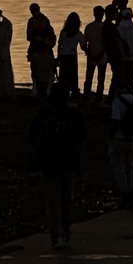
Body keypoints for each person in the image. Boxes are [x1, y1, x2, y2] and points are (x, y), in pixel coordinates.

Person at [30, 85, 86, 250]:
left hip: (49, 162)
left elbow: (32, 134)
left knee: (53, 201)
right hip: (68, 162)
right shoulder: (73, 116)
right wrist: (78, 162)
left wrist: (38, 152)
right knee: (66, 199)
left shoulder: (45, 114)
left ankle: (57, 235)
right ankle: (65, 231)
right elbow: (81, 140)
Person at [110, 82, 133, 207]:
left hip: (120, 138)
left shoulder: (117, 102)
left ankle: (124, 194)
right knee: (129, 167)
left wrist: (110, 136)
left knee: (119, 167)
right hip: (132, 138)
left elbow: (115, 120)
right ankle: (130, 190)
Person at [26, 3, 56, 100]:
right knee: (36, 72)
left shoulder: (45, 26)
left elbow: (52, 41)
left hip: (44, 51)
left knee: (46, 72)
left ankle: (45, 90)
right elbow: (29, 37)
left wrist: (44, 41)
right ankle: (38, 90)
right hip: (37, 51)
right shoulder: (33, 24)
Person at [56, 12, 85, 98]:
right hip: (72, 56)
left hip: (63, 55)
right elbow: (83, 46)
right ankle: (74, 92)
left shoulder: (63, 32)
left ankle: (63, 92)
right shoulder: (78, 34)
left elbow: (60, 44)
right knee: (73, 75)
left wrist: (58, 56)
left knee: (63, 75)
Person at [82, 6, 108, 101]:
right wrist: (101, 54)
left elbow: (84, 44)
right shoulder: (105, 27)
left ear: (94, 14)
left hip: (91, 56)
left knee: (89, 78)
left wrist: (89, 52)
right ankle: (99, 98)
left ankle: (85, 96)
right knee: (100, 79)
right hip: (102, 57)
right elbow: (106, 44)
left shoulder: (89, 27)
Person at [100, 7, 125, 98]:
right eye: (115, 13)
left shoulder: (106, 26)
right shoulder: (110, 27)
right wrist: (121, 54)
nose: (117, 15)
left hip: (111, 54)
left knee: (117, 75)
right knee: (118, 76)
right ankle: (112, 96)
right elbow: (116, 42)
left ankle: (113, 95)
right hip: (115, 54)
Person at [116, 8, 133, 92]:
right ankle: (131, 92)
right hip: (132, 56)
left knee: (123, 76)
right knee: (131, 77)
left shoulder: (119, 28)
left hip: (122, 56)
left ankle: (123, 91)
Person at [0, 6, 15, 99]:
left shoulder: (5, 25)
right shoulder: (1, 25)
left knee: (3, 71)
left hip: (2, 50)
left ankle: (4, 90)